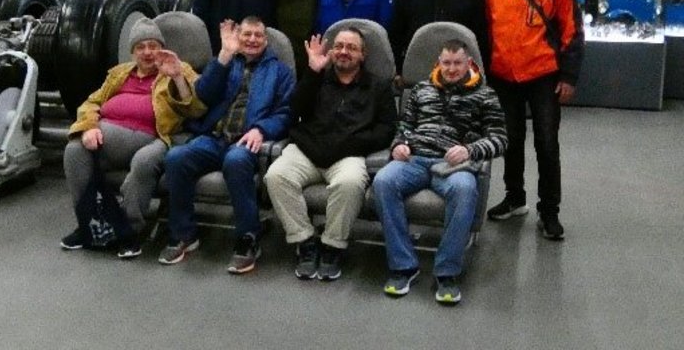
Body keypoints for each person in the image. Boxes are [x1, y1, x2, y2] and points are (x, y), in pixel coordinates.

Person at [372, 39, 506, 305]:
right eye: (446, 63)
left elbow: (500, 139)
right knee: (383, 180)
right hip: (415, 158)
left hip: (453, 165)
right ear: (438, 63)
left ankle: (446, 272)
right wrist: (399, 144)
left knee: (465, 189)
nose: (452, 69)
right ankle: (403, 266)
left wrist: (470, 150)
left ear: (469, 63)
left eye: (457, 63)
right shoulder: (421, 89)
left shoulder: (485, 95)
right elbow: (404, 126)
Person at [60, 18, 205, 259]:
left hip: (154, 138)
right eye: (140, 47)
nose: (147, 52)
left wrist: (178, 77)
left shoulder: (177, 69)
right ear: (132, 52)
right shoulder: (119, 74)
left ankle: (127, 230)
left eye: (153, 46)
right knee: (74, 150)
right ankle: (90, 224)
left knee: (143, 161)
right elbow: (91, 102)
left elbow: (197, 109)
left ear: (162, 48)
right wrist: (88, 127)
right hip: (105, 137)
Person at [159, 17, 295, 274]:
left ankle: (247, 238)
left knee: (235, 161)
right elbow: (204, 95)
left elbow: (286, 113)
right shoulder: (226, 63)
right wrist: (223, 56)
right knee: (176, 157)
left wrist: (261, 129)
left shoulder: (280, 72)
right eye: (246, 34)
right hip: (215, 136)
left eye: (258, 35)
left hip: (247, 140)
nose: (252, 39)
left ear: (266, 40)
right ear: (238, 37)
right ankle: (184, 234)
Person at [264, 28, 397, 281]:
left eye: (351, 47)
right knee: (276, 176)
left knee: (350, 183)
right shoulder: (317, 78)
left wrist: (352, 143)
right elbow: (294, 111)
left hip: (349, 154)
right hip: (306, 151)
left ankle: (332, 246)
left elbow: (387, 130)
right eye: (339, 46)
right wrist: (312, 72)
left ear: (363, 54)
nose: (344, 52)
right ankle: (304, 241)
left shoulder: (378, 87)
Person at [484, 0, 584, 241]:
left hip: (544, 77)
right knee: (510, 141)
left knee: (547, 144)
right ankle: (515, 198)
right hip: (504, 77)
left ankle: (549, 211)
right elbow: (487, 30)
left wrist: (569, 76)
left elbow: (572, 32)